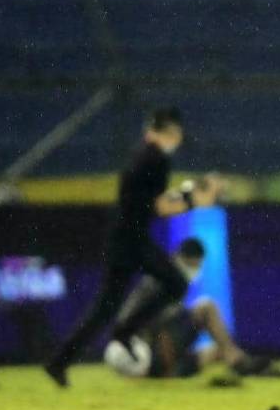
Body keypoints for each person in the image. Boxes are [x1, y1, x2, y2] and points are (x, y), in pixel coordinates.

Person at [43, 106, 221, 387]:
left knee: (104, 308)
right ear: (172, 132)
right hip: (133, 241)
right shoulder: (157, 159)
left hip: (123, 238)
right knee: (176, 282)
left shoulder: (141, 154)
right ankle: (125, 332)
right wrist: (193, 201)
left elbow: (152, 198)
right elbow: (161, 207)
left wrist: (188, 192)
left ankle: (59, 361)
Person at [110, 238, 280, 380]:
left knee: (216, 351)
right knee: (206, 308)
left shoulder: (162, 280)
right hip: (149, 357)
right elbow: (147, 326)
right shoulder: (163, 282)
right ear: (180, 259)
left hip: (151, 362)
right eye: (194, 265)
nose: (196, 271)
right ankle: (237, 362)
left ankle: (271, 371)